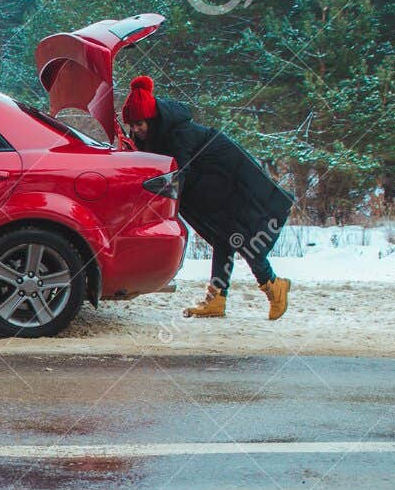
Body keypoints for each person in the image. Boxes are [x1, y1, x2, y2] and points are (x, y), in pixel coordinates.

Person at [121, 76, 292, 320]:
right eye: (132, 125)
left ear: (151, 118)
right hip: (207, 186)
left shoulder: (179, 133)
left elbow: (181, 170)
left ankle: (274, 286)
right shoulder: (152, 134)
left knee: (240, 235)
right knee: (224, 238)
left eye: (139, 124)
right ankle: (217, 299)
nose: (135, 130)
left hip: (227, 179)